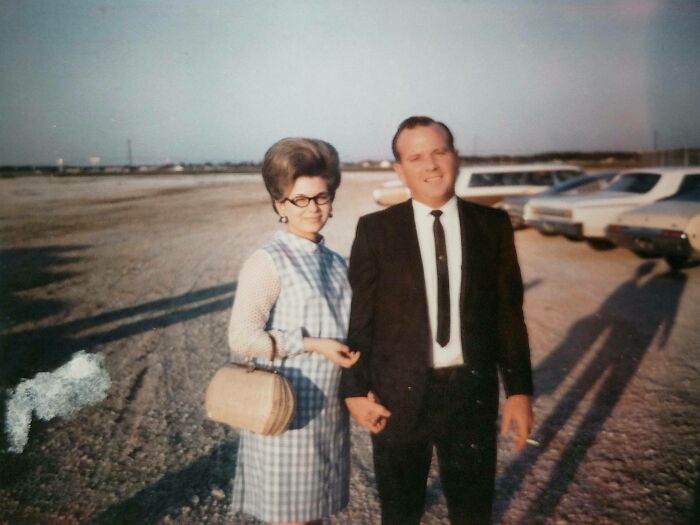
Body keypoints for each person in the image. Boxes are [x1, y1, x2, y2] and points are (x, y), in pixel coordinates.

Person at [340, 116, 534, 525]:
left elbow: (508, 314)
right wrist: (355, 389)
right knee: (400, 512)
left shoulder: (492, 227)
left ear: (456, 158)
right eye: (415, 157)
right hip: (397, 398)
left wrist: (518, 391)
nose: (430, 165)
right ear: (400, 170)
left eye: (438, 152)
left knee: (472, 511)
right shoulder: (376, 231)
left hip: (469, 397)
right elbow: (361, 319)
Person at [227, 137, 359, 525]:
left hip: (329, 415)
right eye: (300, 199)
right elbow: (242, 339)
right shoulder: (267, 261)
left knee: (315, 517)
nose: (313, 208)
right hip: (285, 414)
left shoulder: (336, 262)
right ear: (279, 203)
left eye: (321, 197)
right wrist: (312, 344)